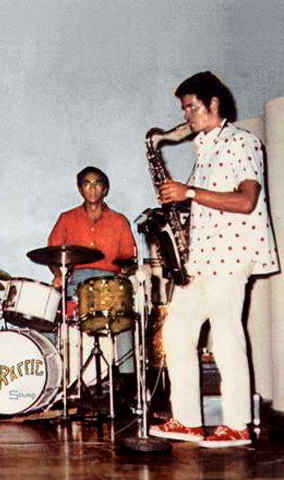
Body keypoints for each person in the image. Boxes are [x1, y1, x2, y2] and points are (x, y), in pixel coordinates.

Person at [150, 72, 279, 448]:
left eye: (191, 106)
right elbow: (206, 204)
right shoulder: (204, 152)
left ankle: (238, 425)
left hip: (231, 256)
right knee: (177, 332)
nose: (186, 116)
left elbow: (246, 200)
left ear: (214, 104)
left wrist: (188, 192)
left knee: (226, 338)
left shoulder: (243, 141)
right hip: (201, 260)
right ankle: (188, 421)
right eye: (184, 108)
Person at [47, 167, 138, 379]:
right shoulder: (66, 218)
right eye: (86, 184)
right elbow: (52, 253)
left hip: (109, 282)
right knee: (50, 315)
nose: (92, 188)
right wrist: (58, 275)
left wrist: (125, 272)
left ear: (105, 189)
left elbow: (129, 258)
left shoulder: (119, 220)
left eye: (97, 183)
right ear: (80, 189)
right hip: (77, 281)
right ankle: (57, 376)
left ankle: (127, 378)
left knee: (124, 318)